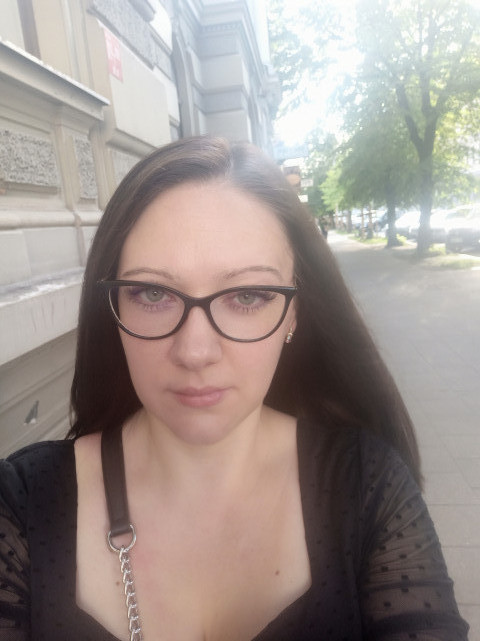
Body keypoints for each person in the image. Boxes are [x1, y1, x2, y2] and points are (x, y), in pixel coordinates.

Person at [0, 136, 468, 640]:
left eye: (247, 296)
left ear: (294, 313)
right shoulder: (24, 506)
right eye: (153, 293)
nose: (195, 351)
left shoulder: (368, 487)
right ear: (111, 311)